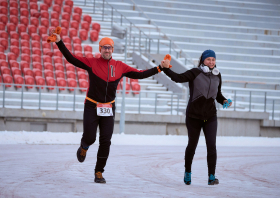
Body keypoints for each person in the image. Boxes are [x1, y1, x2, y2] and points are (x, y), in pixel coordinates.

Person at [53, 33, 164, 183]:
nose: (107, 50)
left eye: (109, 47)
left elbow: (140, 74)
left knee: (106, 141)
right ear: (100, 49)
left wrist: (159, 68)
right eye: (104, 47)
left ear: (112, 50)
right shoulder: (92, 62)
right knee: (91, 137)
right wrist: (59, 42)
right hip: (92, 105)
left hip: (108, 107)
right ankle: (84, 146)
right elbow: (71, 58)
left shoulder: (120, 66)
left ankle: (99, 172)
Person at [160, 50, 232, 185]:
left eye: (213, 59)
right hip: (194, 116)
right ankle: (187, 171)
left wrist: (224, 101)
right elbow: (178, 78)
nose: (211, 62)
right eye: (208, 59)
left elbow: (218, 94)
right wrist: (165, 69)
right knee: (192, 145)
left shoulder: (218, 75)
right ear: (203, 60)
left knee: (211, 146)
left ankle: (212, 176)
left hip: (210, 116)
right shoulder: (195, 72)